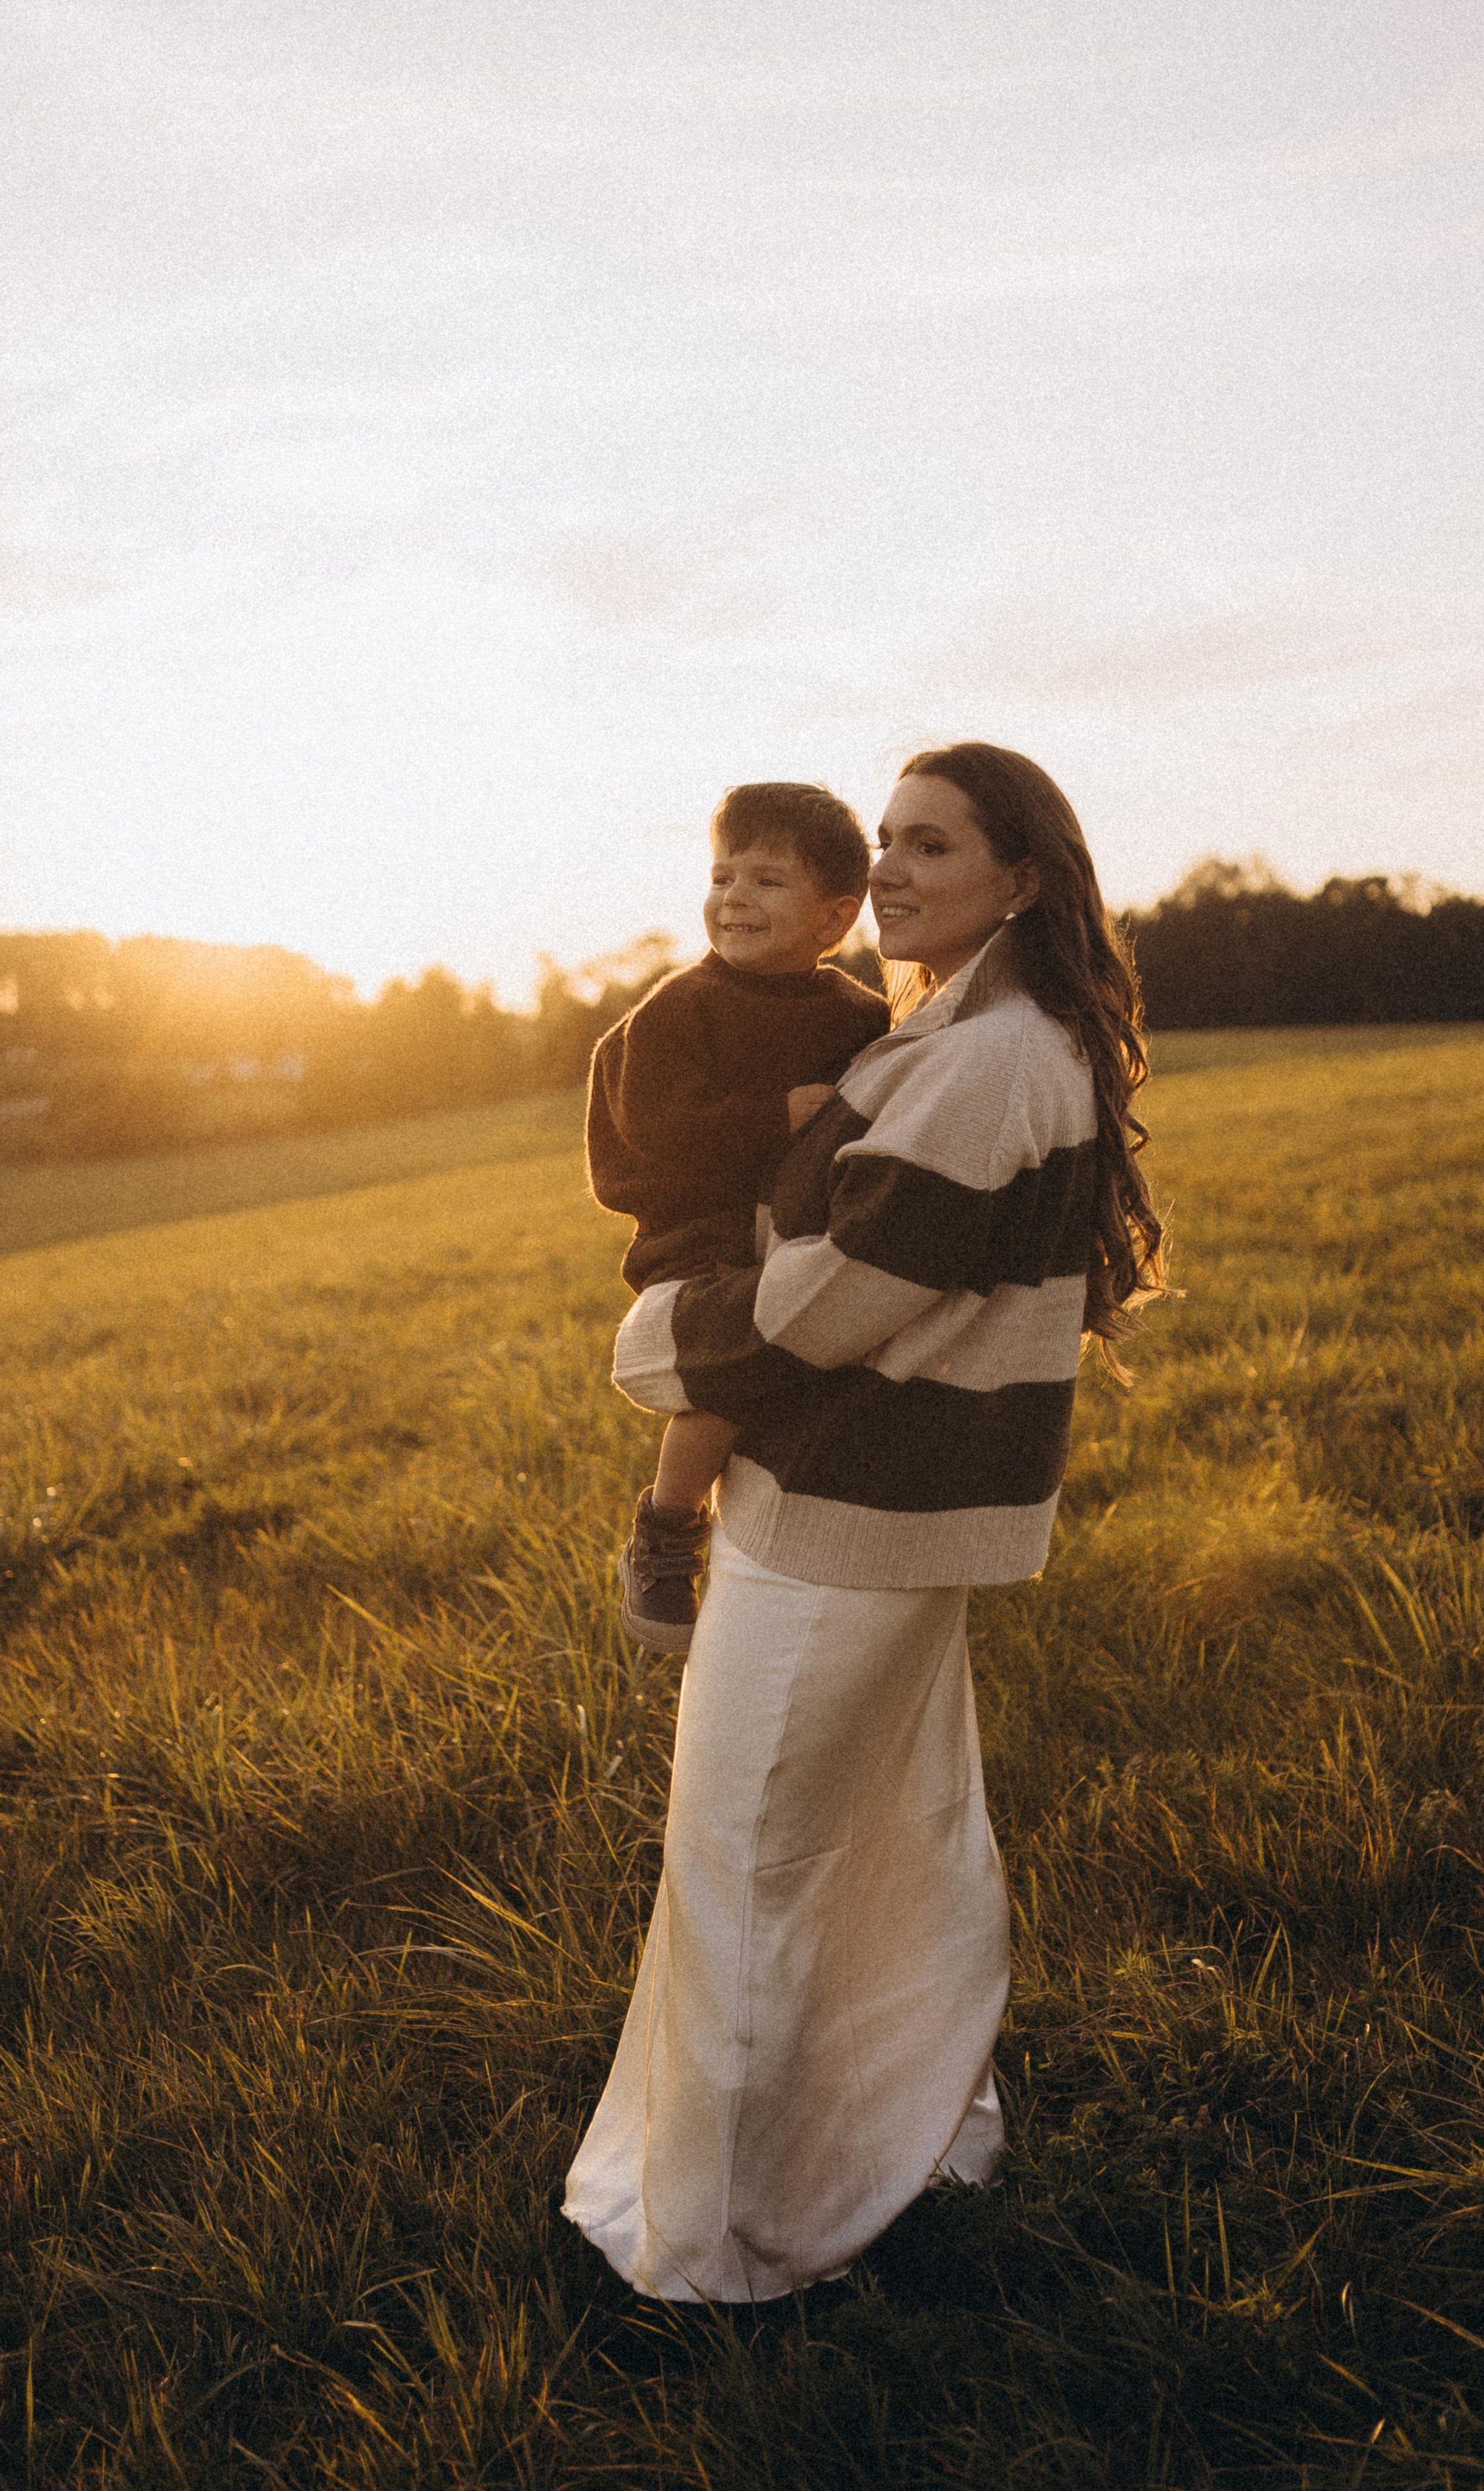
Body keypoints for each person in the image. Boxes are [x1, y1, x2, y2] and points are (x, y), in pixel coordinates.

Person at [564, 743, 1164, 2302]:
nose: (890, 868)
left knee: (746, 1858)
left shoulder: (984, 1060)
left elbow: (842, 1298)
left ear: (1020, 879)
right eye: (886, 839)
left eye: (932, 846)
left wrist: (655, 1341)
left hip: (848, 1511)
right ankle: (924, 2142)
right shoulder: (951, 1034)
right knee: (898, 1849)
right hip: (862, 1502)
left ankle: (723, 2245)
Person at [586, 782, 890, 1651]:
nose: (735, 899)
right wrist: (775, 1117)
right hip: (698, 1238)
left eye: (766, 881)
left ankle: (784, 1542)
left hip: (795, 1232)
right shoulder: (678, 1010)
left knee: (814, 1365)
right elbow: (656, 1133)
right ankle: (667, 1531)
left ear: (832, 920)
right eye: (723, 876)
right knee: (735, 1369)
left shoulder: (858, 1014)